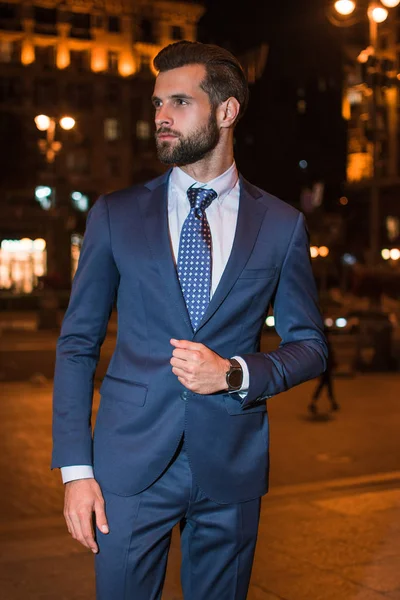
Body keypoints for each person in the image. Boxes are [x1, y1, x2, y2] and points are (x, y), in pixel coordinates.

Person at [52, 41, 327, 600]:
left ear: (227, 111)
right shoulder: (116, 214)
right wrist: (76, 472)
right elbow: (77, 345)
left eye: (180, 102)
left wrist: (234, 374)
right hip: (128, 467)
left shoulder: (281, 224)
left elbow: (311, 346)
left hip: (230, 465)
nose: (161, 117)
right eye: (157, 104)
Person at [309, 329, 339, 414]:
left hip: (325, 368)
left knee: (324, 386)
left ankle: (315, 403)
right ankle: (332, 403)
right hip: (326, 368)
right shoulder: (325, 344)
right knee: (326, 386)